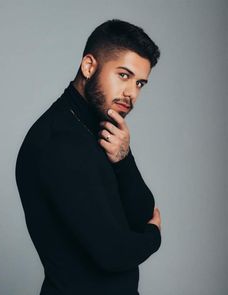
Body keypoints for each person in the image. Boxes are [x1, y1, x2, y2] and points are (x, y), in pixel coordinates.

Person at [15, 19, 162, 295]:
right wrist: (154, 237)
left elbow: (141, 212)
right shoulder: (58, 142)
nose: (131, 93)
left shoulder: (100, 130)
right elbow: (112, 253)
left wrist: (124, 158)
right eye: (123, 75)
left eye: (140, 83)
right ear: (89, 66)